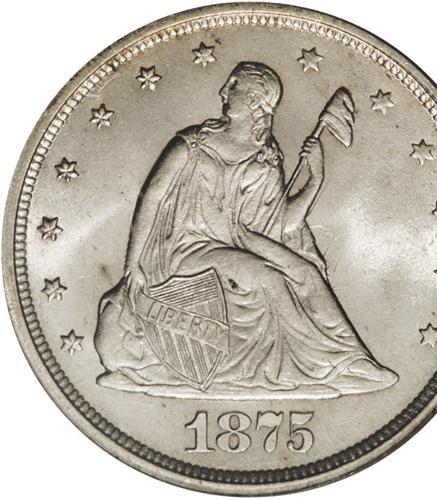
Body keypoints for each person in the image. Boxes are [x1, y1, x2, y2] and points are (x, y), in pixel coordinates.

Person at [94, 61, 398, 396]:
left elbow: (281, 225)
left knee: (305, 273)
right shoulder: (191, 145)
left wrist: (315, 180)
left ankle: (351, 360)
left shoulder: (265, 157)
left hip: (240, 244)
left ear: (253, 99)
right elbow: (150, 199)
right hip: (184, 252)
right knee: (268, 278)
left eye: (232, 86)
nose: (223, 91)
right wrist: (133, 265)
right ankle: (316, 366)